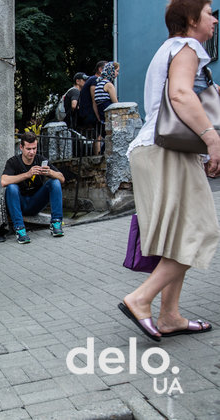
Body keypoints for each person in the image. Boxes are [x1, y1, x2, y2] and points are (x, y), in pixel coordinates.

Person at [119, 0, 220, 341]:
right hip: (165, 151)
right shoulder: (187, 46)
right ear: (192, 20)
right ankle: (140, 299)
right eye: (210, 14)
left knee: (178, 238)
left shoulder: (168, 49)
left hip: (152, 149)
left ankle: (170, 315)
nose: (215, 21)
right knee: (201, 231)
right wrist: (212, 139)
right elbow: (179, 94)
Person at [1, 132, 65, 244]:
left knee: (54, 182)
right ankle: (20, 230)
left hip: (35, 202)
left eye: (34, 148)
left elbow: (62, 179)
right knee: (11, 188)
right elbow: (3, 181)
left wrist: (50, 172)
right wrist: (27, 174)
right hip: (19, 203)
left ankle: (56, 223)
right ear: (21, 147)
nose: (32, 152)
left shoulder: (40, 159)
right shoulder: (13, 162)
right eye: (28, 149)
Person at [91, 61, 120, 153]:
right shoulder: (109, 85)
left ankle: (103, 151)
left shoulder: (99, 83)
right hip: (109, 110)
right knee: (114, 134)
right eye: (116, 71)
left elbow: (95, 102)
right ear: (111, 71)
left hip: (102, 112)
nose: (117, 73)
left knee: (107, 135)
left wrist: (98, 116)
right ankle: (104, 151)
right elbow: (115, 103)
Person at [77, 60, 107, 132]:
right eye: (107, 69)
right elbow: (94, 100)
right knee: (98, 136)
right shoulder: (95, 80)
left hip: (88, 114)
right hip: (90, 114)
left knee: (97, 137)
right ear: (100, 69)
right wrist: (98, 117)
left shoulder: (92, 79)